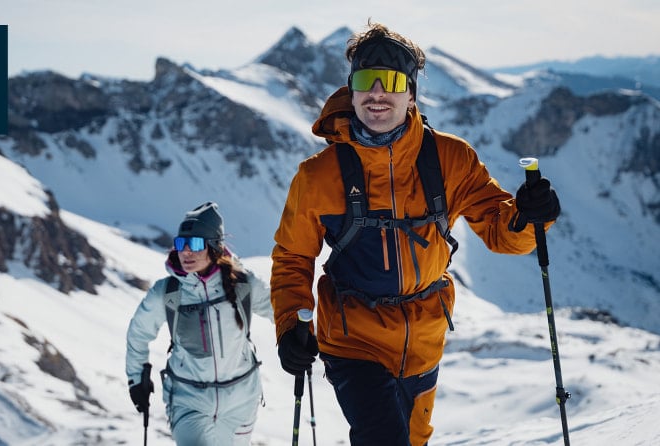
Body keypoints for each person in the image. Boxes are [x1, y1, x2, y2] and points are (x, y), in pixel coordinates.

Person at [270, 20, 560, 446]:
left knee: (412, 439)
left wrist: (529, 218)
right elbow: (293, 257)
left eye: (392, 82)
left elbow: (501, 230)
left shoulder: (451, 159)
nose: (378, 93)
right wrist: (289, 324)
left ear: (411, 94)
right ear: (351, 89)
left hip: (425, 335)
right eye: (367, 81)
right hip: (353, 339)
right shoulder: (318, 176)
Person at [126, 202, 273, 446]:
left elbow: (279, 312)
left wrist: (299, 335)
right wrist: (136, 377)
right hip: (187, 400)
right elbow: (138, 333)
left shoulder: (243, 284)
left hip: (241, 400)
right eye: (181, 244)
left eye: (195, 244)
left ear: (214, 246)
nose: (186, 252)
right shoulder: (168, 291)